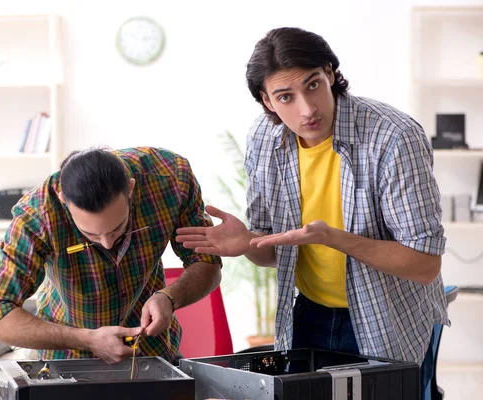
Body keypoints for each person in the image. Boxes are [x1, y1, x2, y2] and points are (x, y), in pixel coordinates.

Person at [176, 27, 447, 396]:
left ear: (331, 73)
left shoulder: (393, 137)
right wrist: (247, 243)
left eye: (313, 85)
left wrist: (333, 238)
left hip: (387, 315)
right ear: (267, 101)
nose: (306, 109)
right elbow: (273, 253)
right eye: (286, 96)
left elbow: (425, 264)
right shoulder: (265, 138)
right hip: (308, 313)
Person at [0, 147, 222, 364]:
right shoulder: (37, 216)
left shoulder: (171, 180)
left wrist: (170, 298)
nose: (107, 242)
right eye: (90, 234)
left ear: (131, 190)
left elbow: (208, 263)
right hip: (67, 363)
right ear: (63, 201)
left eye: (117, 228)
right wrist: (88, 340)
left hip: (152, 355)